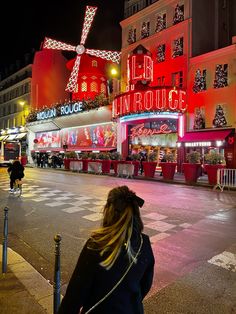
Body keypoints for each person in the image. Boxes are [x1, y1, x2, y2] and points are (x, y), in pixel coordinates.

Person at [58, 185, 155, 314]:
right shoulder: (144, 243)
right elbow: (145, 285)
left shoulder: (96, 245)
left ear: (108, 211)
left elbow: (75, 295)